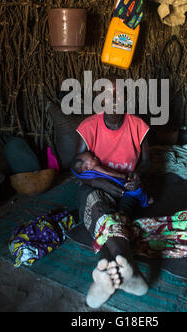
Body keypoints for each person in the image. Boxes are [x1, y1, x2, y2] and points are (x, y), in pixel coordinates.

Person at [75, 78, 151, 308]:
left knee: (122, 213)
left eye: (119, 96)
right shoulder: (89, 127)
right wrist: (102, 184)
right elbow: (76, 165)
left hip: (127, 188)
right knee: (99, 208)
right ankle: (128, 265)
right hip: (96, 187)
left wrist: (138, 174)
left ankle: (103, 279)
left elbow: (148, 162)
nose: (113, 101)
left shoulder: (138, 125)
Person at [71, 151, 153, 216]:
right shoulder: (96, 168)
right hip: (120, 186)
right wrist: (121, 175)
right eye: (93, 158)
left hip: (116, 191)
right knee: (135, 191)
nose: (96, 157)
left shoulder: (86, 175)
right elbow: (108, 172)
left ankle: (127, 210)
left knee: (130, 196)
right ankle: (145, 200)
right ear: (87, 167)